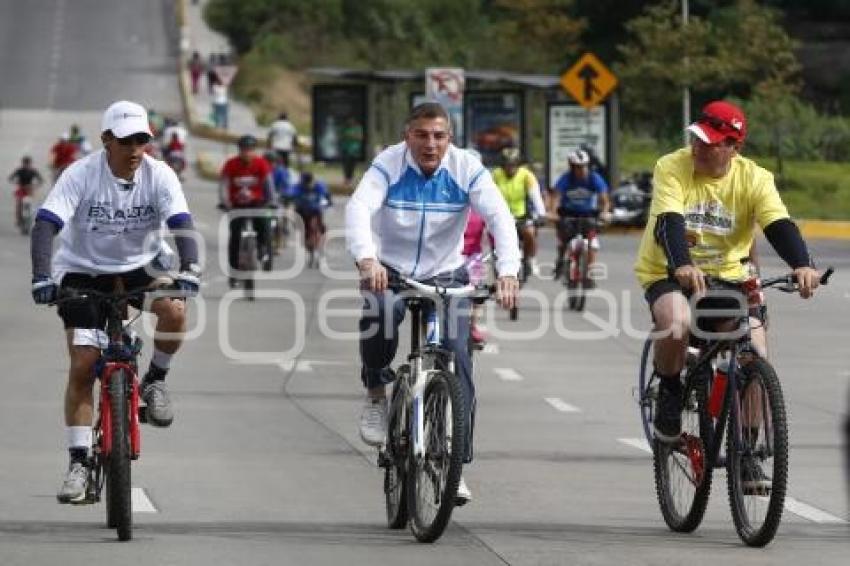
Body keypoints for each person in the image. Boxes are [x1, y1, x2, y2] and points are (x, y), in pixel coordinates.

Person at [635, 100, 822, 489]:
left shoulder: (755, 178)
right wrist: (682, 264)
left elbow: (778, 224)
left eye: (712, 143)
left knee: (754, 352)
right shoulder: (673, 165)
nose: (700, 148)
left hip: (728, 277)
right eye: (698, 139)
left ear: (734, 147)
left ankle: (749, 454)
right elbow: (668, 222)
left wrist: (801, 264)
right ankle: (670, 392)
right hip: (670, 270)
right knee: (676, 321)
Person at [346, 102, 520, 505]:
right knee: (381, 312)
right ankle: (375, 392)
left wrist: (508, 271)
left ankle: (455, 463)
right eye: (422, 135)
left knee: (459, 356)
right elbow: (358, 209)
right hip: (391, 271)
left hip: (447, 275)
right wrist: (367, 259)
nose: (430, 144)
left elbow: (499, 218)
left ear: (450, 139)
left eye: (439, 136)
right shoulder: (388, 164)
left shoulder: (466, 167)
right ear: (407, 136)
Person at [30, 100, 201, 503]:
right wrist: (41, 277)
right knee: (84, 364)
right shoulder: (81, 174)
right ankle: (78, 462)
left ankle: (155, 381)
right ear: (107, 140)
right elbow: (46, 224)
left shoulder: (159, 175)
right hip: (83, 271)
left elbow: (181, 223)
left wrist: (190, 267)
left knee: (175, 308)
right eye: (126, 141)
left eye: (143, 140)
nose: (136, 149)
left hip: (142, 264)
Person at [550, 149, 611, 285]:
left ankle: (590, 273)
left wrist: (605, 212)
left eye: (584, 166)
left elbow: (604, 199)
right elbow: (556, 196)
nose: (581, 169)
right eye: (577, 167)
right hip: (568, 214)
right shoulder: (566, 178)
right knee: (563, 240)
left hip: (588, 214)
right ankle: (560, 260)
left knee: (592, 243)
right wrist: (553, 213)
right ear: (571, 167)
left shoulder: (594, 178)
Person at [219, 135, 274, 286]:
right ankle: (234, 271)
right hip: (237, 206)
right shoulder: (231, 164)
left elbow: (269, 185)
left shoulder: (261, 164)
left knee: (264, 225)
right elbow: (224, 185)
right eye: (244, 150)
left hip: (257, 204)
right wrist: (226, 203)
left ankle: (265, 252)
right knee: (235, 237)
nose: (247, 153)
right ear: (240, 150)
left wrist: (271, 201)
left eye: (250, 150)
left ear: (254, 151)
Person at [491, 147, 547, 277]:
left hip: (522, 215)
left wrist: (541, 214)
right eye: (507, 165)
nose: (510, 168)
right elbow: (488, 196)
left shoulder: (526, 175)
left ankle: (530, 258)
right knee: (496, 240)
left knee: (530, 232)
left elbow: (536, 196)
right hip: (502, 216)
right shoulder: (496, 175)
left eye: (513, 165)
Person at [292, 171, 331, 267]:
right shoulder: (298, 186)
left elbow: (325, 195)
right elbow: (291, 192)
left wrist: (327, 202)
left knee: (321, 226)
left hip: (315, 210)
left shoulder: (319, 185)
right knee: (301, 229)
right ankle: (308, 245)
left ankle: (321, 239)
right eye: (305, 183)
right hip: (302, 210)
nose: (308, 185)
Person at [8, 156, 44, 228]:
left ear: (30, 164)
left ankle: (31, 216)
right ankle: (18, 219)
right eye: (25, 163)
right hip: (21, 189)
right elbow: (10, 178)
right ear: (23, 163)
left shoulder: (33, 171)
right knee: (19, 204)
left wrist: (36, 185)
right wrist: (15, 182)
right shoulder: (19, 170)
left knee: (31, 204)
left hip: (29, 189)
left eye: (28, 164)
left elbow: (41, 180)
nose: (26, 165)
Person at [339, 116, 364, 189]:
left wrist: (350, 136)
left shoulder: (358, 128)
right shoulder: (344, 128)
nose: (350, 122)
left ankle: (350, 179)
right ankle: (346, 179)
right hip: (345, 149)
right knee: (345, 164)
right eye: (348, 120)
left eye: (351, 120)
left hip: (354, 150)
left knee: (352, 165)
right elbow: (341, 136)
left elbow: (359, 137)